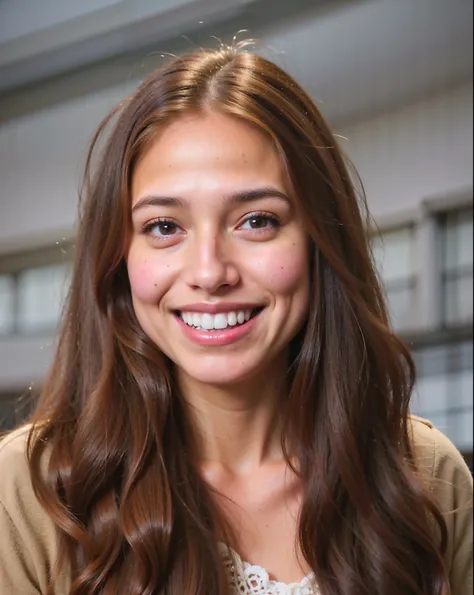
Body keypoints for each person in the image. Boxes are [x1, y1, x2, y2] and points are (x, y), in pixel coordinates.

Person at [0, 42, 472, 595]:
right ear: (117, 258)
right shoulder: (32, 495)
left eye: (256, 221)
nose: (209, 272)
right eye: (163, 227)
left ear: (322, 239)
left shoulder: (423, 476)